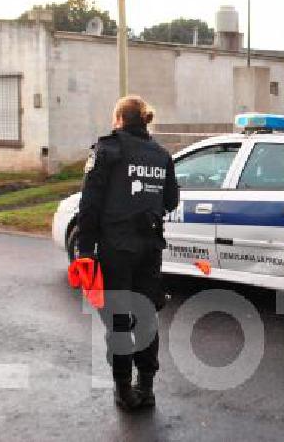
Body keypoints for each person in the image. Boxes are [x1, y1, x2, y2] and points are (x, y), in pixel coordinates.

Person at [75, 95, 179, 410]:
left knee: (120, 320)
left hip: (115, 250)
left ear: (119, 119)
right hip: (149, 248)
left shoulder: (107, 150)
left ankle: (123, 390)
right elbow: (171, 200)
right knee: (146, 317)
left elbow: (90, 204)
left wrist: (85, 249)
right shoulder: (162, 155)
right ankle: (146, 387)